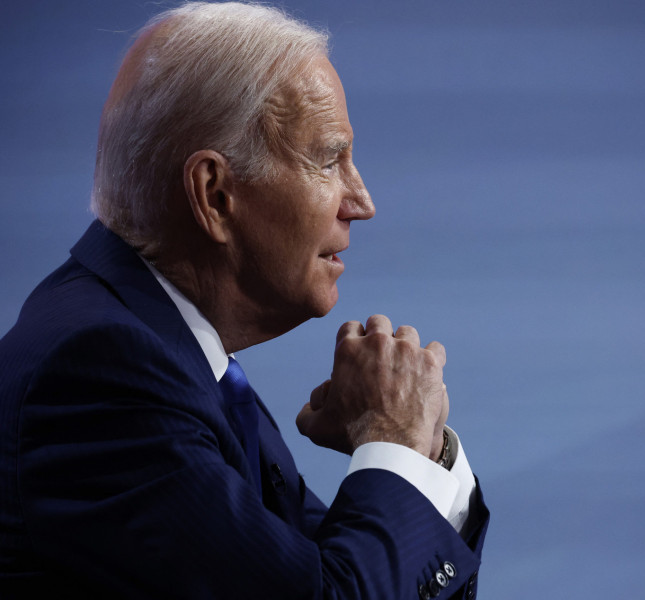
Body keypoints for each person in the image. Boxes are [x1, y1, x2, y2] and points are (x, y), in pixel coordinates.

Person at [0, 3, 488, 599]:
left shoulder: (181, 360)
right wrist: (393, 439)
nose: (361, 202)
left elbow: (324, 568)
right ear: (216, 194)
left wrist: (423, 449)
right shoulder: (102, 375)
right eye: (329, 159)